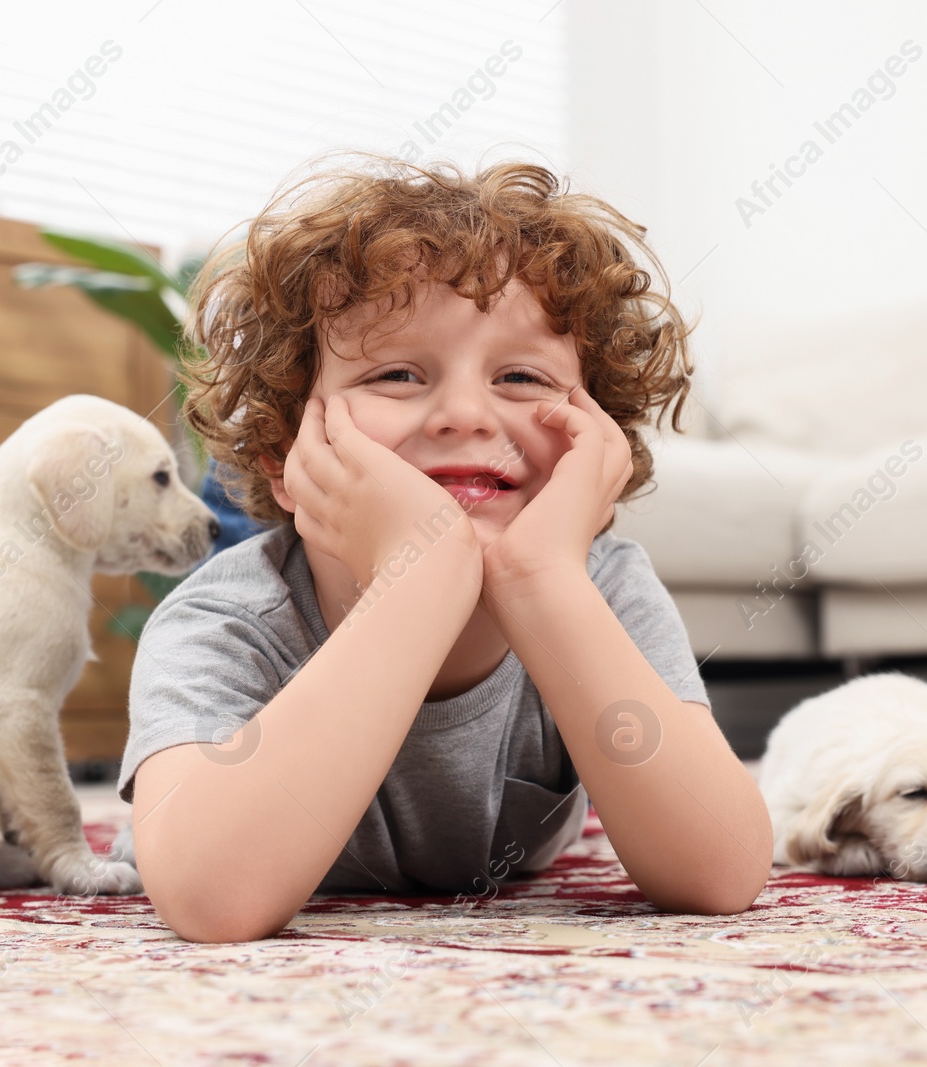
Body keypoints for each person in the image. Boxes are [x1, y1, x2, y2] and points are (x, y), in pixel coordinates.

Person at [120, 150, 772, 943]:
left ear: (597, 443)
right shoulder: (228, 620)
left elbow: (723, 869)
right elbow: (211, 898)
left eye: (523, 379)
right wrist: (420, 579)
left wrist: (539, 581)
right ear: (285, 457)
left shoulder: (599, 586)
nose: (465, 413)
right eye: (396, 373)